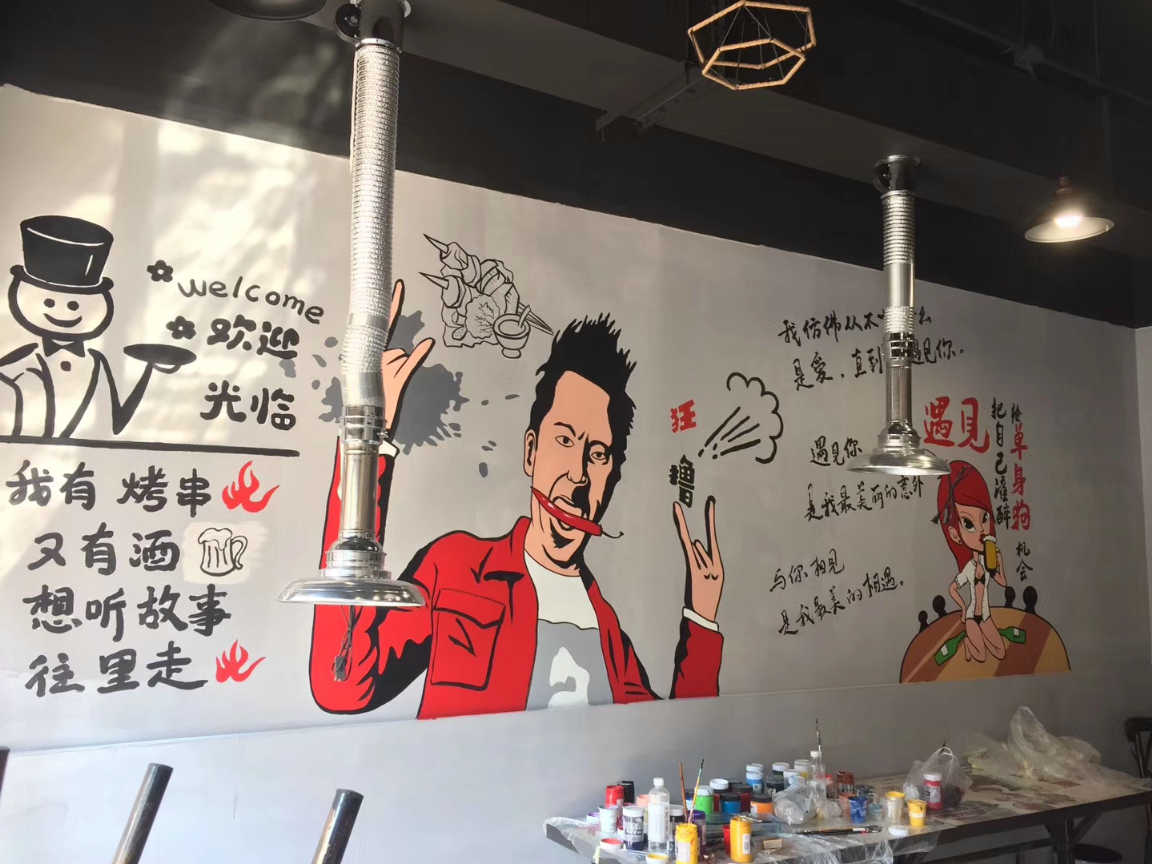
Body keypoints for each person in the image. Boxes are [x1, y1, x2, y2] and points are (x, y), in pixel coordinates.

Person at [309, 281, 724, 719]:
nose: (579, 475)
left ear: (612, 478)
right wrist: (368, 441)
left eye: (598, 454)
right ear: (531, 451)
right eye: (564, 439)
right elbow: (343, 685)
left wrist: (702, 615)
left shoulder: (605, 626)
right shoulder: (455, 568)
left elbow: (673, 730)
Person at [0, 215, 189, 438]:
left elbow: (112, 424)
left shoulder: (96, 363)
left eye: (74, 305)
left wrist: (148, 370)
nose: (63, 312)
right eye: (49, 302)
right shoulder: (19, 365)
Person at [936, 460, 1007, 662]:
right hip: (971, 618)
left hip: (985, 616)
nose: (982, 530)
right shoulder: (969, 568)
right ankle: (969, 644)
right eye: (968, 523)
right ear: (955, 534)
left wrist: (998, 565)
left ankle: (975, 643)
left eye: (985, 518)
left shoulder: (989, 561)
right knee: (981, 656)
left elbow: (1003, 583)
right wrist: (962, 608)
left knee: (1000, 653)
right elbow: (952, 589)